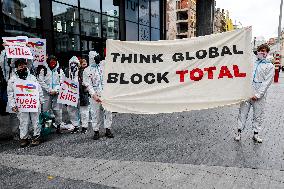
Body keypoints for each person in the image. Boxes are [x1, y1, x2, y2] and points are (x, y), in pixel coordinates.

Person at [234, 44, 274, 143]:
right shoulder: (251, 62)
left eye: (264, 51)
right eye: (260, 50)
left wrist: (258, 95)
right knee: (242, 113)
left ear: (267, 53)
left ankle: (256, 134)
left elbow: (267, 82)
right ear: (257, 51)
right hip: (247, 92)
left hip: (259, 95)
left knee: (258, 115)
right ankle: (239, 132)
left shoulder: (269, 66)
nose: (262, 52)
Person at [7, 59, 44, 147]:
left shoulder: (32, 77)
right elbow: (10, 93)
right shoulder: (12, 80)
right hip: (21, 104)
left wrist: (41, 101)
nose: (22, 67)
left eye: (24, 65)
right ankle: (24, 138)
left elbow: (39, 90)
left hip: (33, 103)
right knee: (23, 121)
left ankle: (36, 137)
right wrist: (12, 105)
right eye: (20, 65)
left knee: (36, 120)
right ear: (16, 67)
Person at [83, 51, 113, 140]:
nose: (98, 59)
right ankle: (96, 131)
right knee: (95, 113)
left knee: (108, 111)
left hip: (105, 93)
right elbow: (88, 84)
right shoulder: (87, 70)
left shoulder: (102, 65)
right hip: (95, 95)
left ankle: (108, 129)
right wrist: (94, 95)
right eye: (96, 58)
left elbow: (112, 59)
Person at [38, 55, 65, 134]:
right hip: (46, 94)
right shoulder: (44, 70)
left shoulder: (60, 70)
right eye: (51, 61)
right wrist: (49, 90)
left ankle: (58, 126)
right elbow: (40, 81)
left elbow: (62, 82)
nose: (53, 63)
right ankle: (47, 127)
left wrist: (56, 90)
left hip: (57, 94)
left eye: (54, 61)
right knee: (46, 112)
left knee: (58, 111)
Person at [64, 56, 80, 133]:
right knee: (71, 109)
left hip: (79, 92)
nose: (73, 65)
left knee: (82, 109)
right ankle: (75, 124)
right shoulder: (67, 71)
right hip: (70, 93)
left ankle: (83, 124)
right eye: (72, 63)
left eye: (75, 63)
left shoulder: (81, 71)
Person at [78, 58, 90, 134]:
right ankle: (84, 126)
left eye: (85, 63)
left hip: (85, 92)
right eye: (83, 63)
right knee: (84, 110)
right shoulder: (78, 72)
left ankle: (84, 126)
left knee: (85, 110)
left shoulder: (88, 70)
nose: (84, 64)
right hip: (82, 92)